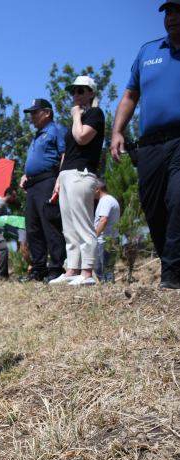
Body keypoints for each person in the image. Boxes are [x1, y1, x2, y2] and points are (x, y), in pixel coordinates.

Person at [111, 1, 180, 289]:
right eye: (168, 12)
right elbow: (130, 96)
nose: (172, 17)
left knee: (177, 199)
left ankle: (172, 276)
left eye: (179, 11)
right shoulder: (148, 51)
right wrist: (117, 131)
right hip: (150, 146)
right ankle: (172, 265)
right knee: (154, 209)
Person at [49, 76, 105, 286]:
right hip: (67, 175)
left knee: (83, 224)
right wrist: (59, 178)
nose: (76, 95)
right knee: (69, 227)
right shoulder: (79, 117)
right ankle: (72, 269)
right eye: (73, 92)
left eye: (81, 91)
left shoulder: (95, 114)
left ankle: (87, 272)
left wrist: (76, 116)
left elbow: (82, 137)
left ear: (92, 93)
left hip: (82, 174)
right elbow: (68, 152)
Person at [19, 99, 68, 283]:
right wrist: (26, 175)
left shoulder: (56, 129)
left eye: (35, 112)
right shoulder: (37, 135)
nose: (32, 116)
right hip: (33, 186)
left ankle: (56, 267)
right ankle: (38, 269)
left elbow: (65, 155)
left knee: (51, 224)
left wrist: (60, 178)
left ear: (47, 113)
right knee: (33, 228)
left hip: (49, 181)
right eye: (30, 113)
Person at [94, 179, 121, 283]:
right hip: (106, 239)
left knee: (106, 270)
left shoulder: (106, 201)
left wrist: (94, 237)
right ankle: (105, 287)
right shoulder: (108, 200)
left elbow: (103, 220)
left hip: (106, 240)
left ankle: (109, 289)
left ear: (97, 189)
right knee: (100, 269)